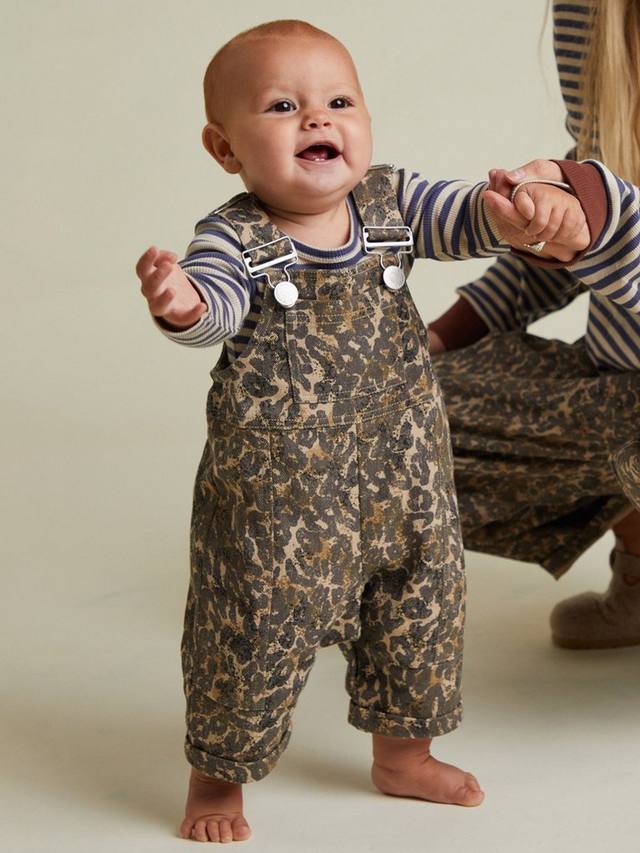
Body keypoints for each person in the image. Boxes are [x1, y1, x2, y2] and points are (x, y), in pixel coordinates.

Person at [135, 20, 602, 843]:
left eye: (339, 102)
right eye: (283, 106)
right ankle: (217, 777)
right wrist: (183, 303)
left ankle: (404, 756)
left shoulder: (393, 202)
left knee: (419, 615)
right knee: (249, 633)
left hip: (406, 482)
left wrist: (510, 211)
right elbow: (216, 303)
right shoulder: (234, 236)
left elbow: (463, 216)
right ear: (225, 147)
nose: (318, 118)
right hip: (278, 507)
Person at [428, 0, 640, 650]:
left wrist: (596, 223)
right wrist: (437, 338)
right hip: (620, 391)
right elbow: (557, 255)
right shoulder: (588, 13)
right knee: (390, 403)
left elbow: (599, 220)